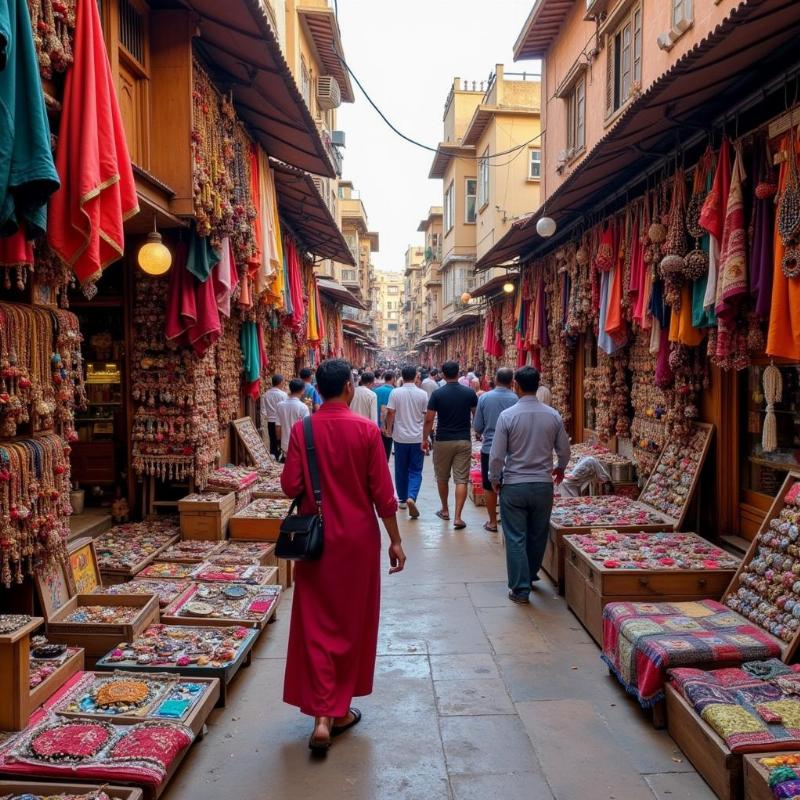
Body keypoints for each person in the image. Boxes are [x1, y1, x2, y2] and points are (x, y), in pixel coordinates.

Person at [281, 359, 406, 753]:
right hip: (357, 541)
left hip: (316, 542)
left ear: (317, 388)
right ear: (349, 388)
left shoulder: (304, 430)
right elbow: (383, 496)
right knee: (352, 623)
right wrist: (396, 540)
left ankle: (321, 716)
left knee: (316, 624)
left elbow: (289, 486)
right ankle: (338, 710)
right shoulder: (367, 431)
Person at [489, 366, 570, 604]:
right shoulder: (552, 415)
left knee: (515, 537)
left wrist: (495, 477)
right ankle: (531, 573)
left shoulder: (508, 416)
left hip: (514, 484)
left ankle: (520, 588)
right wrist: (561, 467)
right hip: (542, 485)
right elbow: (564, 449)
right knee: (537, 534)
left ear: (516, 386)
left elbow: (497, 455)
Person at [422, 360, 478, 529]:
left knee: (442, 477)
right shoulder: (469, 393)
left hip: (443, 440)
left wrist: (425, 438)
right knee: (461, 479)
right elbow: (476, 416)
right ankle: (458, 517)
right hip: (463, 439)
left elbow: (429, 419)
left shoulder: (438, 395)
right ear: (458, 372)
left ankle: (445, 510)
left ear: (443, 374)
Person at [473, 368, 518, 532]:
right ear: (511, 382)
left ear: (496, 380)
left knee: (489, 484)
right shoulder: (516, 399)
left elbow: (477, 426)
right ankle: (508, 521)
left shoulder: (484, 398)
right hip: (511, 449)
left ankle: (492, 522)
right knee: (509, 483)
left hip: (489, 448)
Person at [385, 365, 428, 519]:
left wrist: (389, 429)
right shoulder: (422, 394)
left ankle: (402, 499)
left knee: (401, 468)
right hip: (417, 437)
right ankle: (412, 496)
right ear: (415, 376)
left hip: (400, 437)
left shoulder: (395, 393)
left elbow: (391, 413)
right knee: (416, 470)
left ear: (402, 376)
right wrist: (426, 436)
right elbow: (426, 417)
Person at [276, 378, 309, 459]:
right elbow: (306, 429)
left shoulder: (280, 405)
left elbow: (277, 427)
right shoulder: (303, 407)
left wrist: (279, 441)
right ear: (302, 391)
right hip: (298, 444)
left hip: (285, 444)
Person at [261, 374, 287, 459]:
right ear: (280, 382)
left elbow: (263, 410)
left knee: (272, 440)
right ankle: (282, 456)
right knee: (281, 439)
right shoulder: (283, 395)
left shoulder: (266, 394)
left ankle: (274, 456)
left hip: (270, 421)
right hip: (280, 421)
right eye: (283, 382)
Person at [373, 370, 396, 460]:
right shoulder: (394, 391)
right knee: (387, 448)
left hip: (376, 424)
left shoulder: (376, 390)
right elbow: (392, 411)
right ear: (393, 379)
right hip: (388, 425)